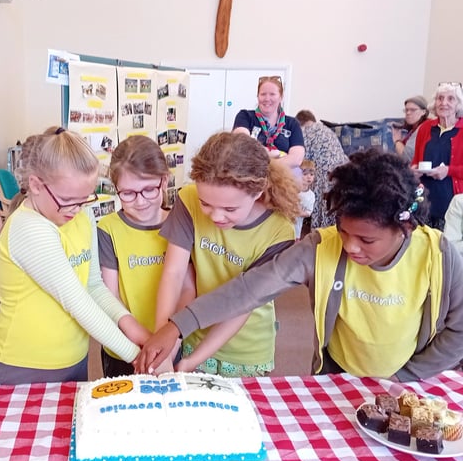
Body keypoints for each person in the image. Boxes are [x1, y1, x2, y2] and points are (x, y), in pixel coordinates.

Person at [135, 148, 463, 382]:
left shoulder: (439, 256)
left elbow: (459, 329)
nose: (350, 246)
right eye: (344, 231)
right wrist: (178, 325)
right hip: (338, 381)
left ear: (404, 228)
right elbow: (249, 290)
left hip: (410, 384)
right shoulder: (319, 248)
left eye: (366, 240)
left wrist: (406, 376)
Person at [0, 127, 141, 384]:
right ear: (36, 185)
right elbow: (78, 302)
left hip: (74, 358)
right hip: (25, 365)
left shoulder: (81, 214)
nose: (77, 209)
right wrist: (136, 356)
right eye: (68, 200)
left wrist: (133, 327)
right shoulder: (30, 228)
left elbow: (93, 286)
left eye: (85, 199)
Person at [154, 131, 300, 377]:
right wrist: (163, 343)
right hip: (192, 333)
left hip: (246, 350)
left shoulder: (278, 231)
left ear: (258, 192)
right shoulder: (188, 200)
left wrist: (191, 361)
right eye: (206, 204)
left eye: (230, 208)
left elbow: (244, 303)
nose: (216, 216)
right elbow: (174, 273)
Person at [97, 135, 194, 377]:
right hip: (124, 349)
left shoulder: (181, 224)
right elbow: (110, 295)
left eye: (149, 190)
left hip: (173, 343)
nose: (140, 202)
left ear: (164, 180)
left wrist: (169, 345)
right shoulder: (108, 229)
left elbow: (187, 290)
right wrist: (144, 345)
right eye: (128, 193)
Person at [411, 82, 463, 231]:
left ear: (458, 104)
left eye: (450, 99)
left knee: (445, 248)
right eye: (440, 98)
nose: (444, 103)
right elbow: (416, 161)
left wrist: (448, 170)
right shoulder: (426, 128)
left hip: (450, 200)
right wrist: (413, 171)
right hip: (424, 198)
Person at [232, 76, 305, 172]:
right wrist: (275, 154)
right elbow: (243, 145)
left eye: (272, 94)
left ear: (281, 97)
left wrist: (264, 165)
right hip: (249, 177)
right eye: (263, 94)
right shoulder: (245, 116)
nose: (267, 99)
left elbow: (296, 159)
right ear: (257, 96)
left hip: (281, 180)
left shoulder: (292, 124)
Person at [295, 109, 348, 229]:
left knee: (321, 202)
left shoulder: (305, 132)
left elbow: (301, 161)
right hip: (343, 172)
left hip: (325, 174)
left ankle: (320, 234)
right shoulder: (327, 130)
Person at [391, 95, 429, 161]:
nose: (408, 113)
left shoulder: (423, 128)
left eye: (413, 110)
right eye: (406, 110)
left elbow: (407, 157)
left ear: (424, 112)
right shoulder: (412, 130)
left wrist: (397, 141)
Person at [296, 159, 316, 240]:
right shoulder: (291, 190)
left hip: (296, 227)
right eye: (305, 174)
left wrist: (299, 212)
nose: (309, 177)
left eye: (311, 174)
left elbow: (308, 212)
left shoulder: (311, 195)